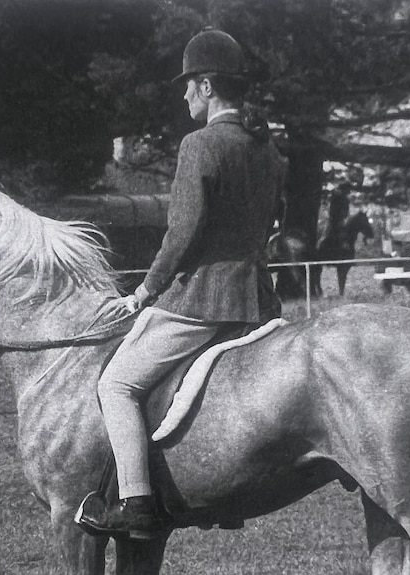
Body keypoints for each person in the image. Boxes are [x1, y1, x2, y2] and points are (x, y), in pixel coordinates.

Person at [75, 28, 285, 538]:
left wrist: (144, 291)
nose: (184, 93)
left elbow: (183, 232)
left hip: (202, 301)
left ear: (208, 86)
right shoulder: (267, 149)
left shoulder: (200, 145)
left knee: (116, 383)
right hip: (257, 303)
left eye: (189, 83)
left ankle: (137, 505)